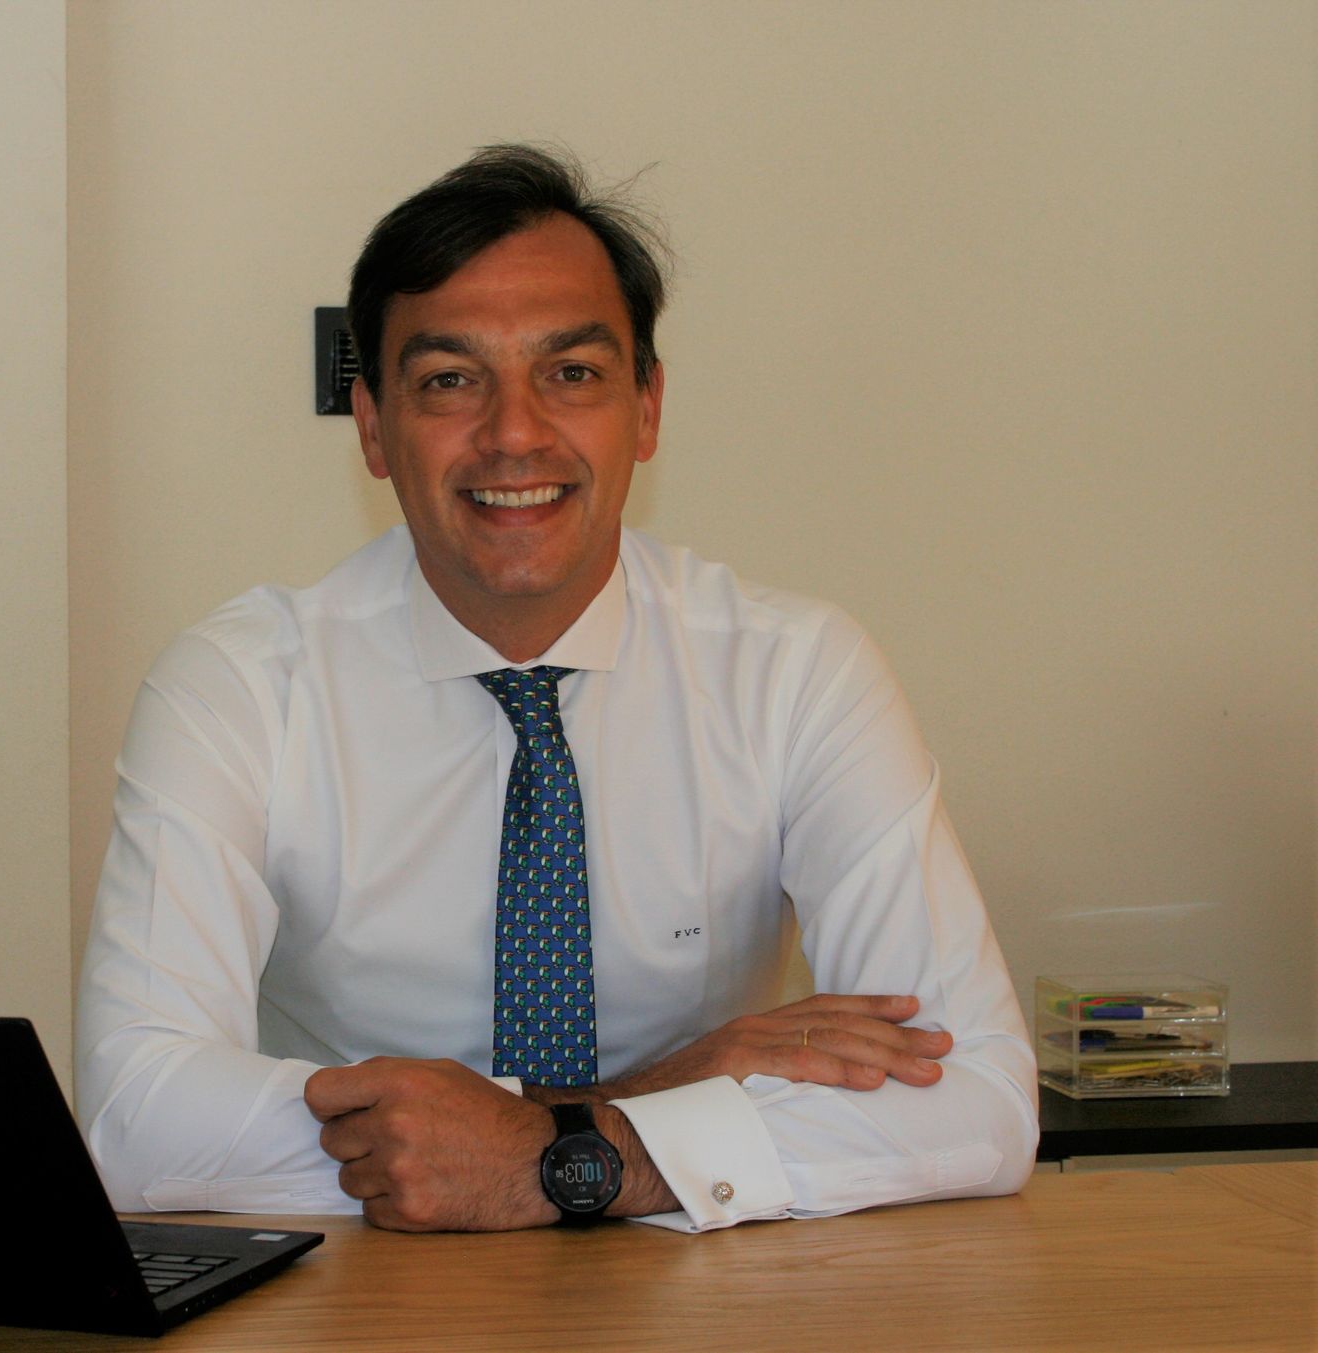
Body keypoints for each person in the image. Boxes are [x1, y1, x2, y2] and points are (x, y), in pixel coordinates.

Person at [75, 144, 1037, 1233]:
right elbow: (136, 1120)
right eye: (450, 380)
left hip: (703, 1294)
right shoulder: (238, 687)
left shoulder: (796, 671)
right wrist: (652, 1105)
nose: (515, 432)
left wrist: (564, 1153)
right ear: (375, 427)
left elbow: (978, 1101)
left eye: (571, 373)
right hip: (359, 1294)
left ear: (647, 408)